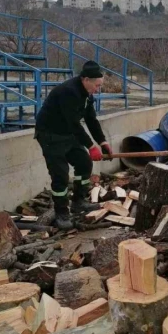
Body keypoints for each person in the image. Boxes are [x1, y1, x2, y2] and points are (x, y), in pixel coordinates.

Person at [34, 61, 110, 230]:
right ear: (86, 79)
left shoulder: (86, 94)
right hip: (50, 134)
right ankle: (61, 213)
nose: (97, 89)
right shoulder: (69, 92)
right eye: (96, 85)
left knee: (84, 163)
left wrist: (102, 142)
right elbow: (74, 124)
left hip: (67, 133)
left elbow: (91, 120)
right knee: (60, 174)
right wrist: (91, 146)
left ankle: (78, 201)